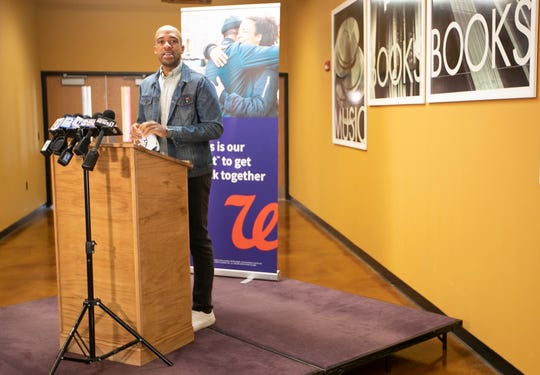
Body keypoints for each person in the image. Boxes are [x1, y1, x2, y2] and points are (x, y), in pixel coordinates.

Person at [130, 25, 223, 332]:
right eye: (161, 41)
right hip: (157, 173)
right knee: (163, 239)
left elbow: (214, 128)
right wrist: (139, 132)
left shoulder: (199, 82)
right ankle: (169, 297)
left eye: (173, 41)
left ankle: (203, 307)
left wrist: (171, 132)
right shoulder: (146, 84)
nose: (167, 45)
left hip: (192, 171)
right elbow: (147, 125)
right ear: (155, 49)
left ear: (183, 48)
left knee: (197, 238)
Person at [204, 17, 279, 116]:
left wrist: (223, 96)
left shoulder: (268, 70)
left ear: (258, 37)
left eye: (244, 31)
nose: (239, 36)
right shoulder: (246, 63)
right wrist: (210, 48)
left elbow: (257, 108)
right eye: (238, 32)